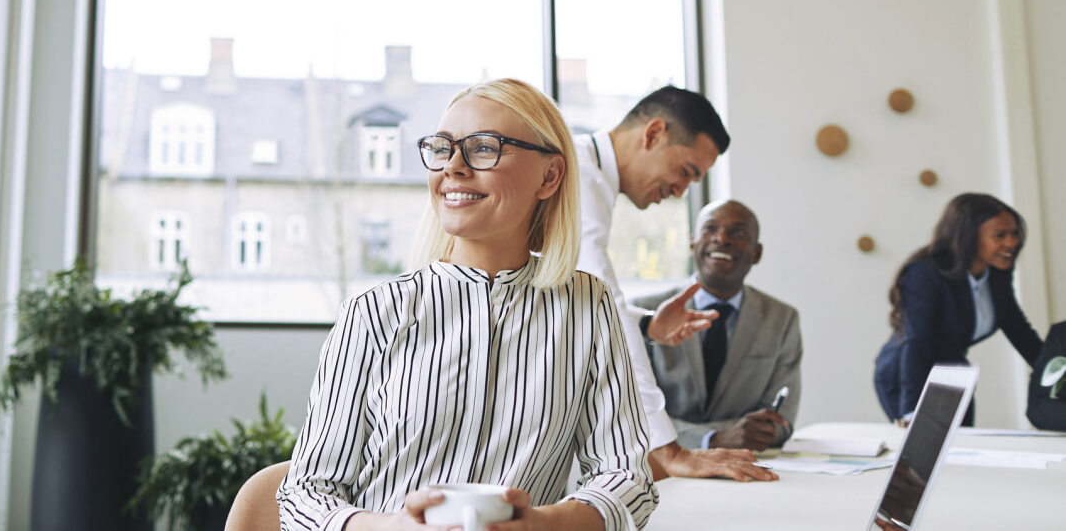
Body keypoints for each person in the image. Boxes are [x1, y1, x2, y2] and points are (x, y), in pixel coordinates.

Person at [277, 79, 656, 531]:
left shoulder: (587, 308)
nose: (452, 167)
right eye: (442, 148)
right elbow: (304, 495)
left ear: (550, 176)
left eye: (483, 148)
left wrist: (543, 523)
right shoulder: (374, 311)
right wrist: (393, 527)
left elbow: (628, 478)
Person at [573, 86, 777, 481]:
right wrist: (666, 449)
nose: (681, 192)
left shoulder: (589, 173)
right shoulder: (580, 178)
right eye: (685, 172)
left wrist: (648, 324)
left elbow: (582, 303)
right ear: (653, 134)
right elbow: (602, 309)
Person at [631, 200, 801, 451]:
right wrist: (712, 439)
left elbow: (781, 419)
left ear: (757, 253)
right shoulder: (643, 314)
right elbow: (633, 413)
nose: (721, 239)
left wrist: (762, 432)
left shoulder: (781, 318)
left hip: (744, 470)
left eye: (738, 232)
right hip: (658, 470)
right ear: (692, 243)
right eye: (710, 228)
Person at [874, 193, 1044, 426]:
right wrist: (911, 411)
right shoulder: (925, 273)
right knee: (926, 454)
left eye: (1014, 233)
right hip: (907, 375)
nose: (1012, 243)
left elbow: (1017, 328)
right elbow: (917, 344)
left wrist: (1056, 373)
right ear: (969, 238)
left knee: (960, 449)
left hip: (953, 371)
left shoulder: (996, 271)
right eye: (1000, 235)